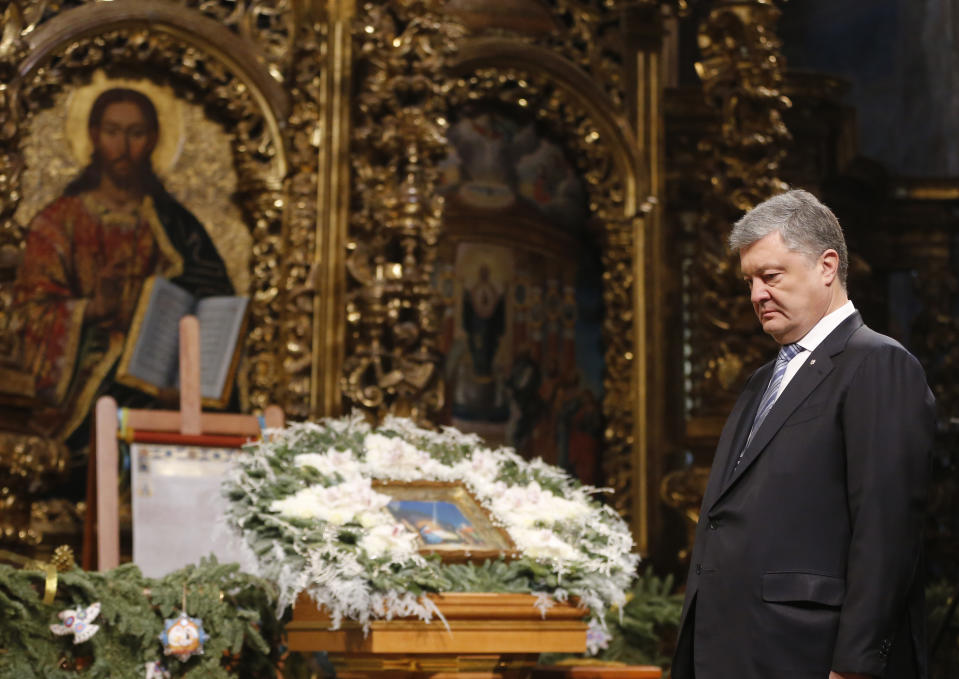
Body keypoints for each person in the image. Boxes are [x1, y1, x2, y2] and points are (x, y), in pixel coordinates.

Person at [671, 190, 935, 679]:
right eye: (749, 281)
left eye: (771, 276)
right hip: (734, 652)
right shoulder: (761, 380)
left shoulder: (878, 363)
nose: (756, 295)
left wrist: (855, 665)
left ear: (827, 266)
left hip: (810, 656)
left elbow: (887, 530)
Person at [12, 87, 233, 445]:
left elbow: (213, 301)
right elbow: (28, 314)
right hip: (84, 381)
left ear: (153, 139)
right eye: (113, 131)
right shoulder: (57, 223)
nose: (124, 146)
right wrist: (90, 310)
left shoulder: (176, 227)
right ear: (94, 135)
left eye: (136, 133)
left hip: (163, 379)